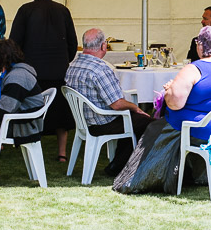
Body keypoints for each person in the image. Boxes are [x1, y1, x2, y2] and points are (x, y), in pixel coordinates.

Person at [115, 25, 211, 194]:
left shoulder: (194, 69)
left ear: (201, 45)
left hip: (200, 130)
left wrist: (170, 90)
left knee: (154, 128)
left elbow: (174, 104)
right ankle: (202, 175)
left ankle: (143, 178)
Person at [64, 28, 155, 175]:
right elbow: (117, 104)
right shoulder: (100, 68)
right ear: (103, 46)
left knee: (134, 121)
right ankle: (121, 167)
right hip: (102, 121)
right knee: (148, 122)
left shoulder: (73, 65)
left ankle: (118, 163)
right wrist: (134, 107)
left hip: (84, 121)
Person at [9, 0, 78, 162]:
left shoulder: (25, 10)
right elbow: (72, 43)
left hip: (32, 72)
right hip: (58, 70)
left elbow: (15, 42)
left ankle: (32, 147)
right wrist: (64, 59)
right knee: (60, 113)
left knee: (34, 111)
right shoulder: (63, 10)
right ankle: (62, 153)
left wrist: (18, 66)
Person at [0, 39, 46, 145]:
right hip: (17, 122)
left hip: (23, 128)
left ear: (3, 56)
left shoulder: (16, 77)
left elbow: (2, 113)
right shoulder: (10, 73)